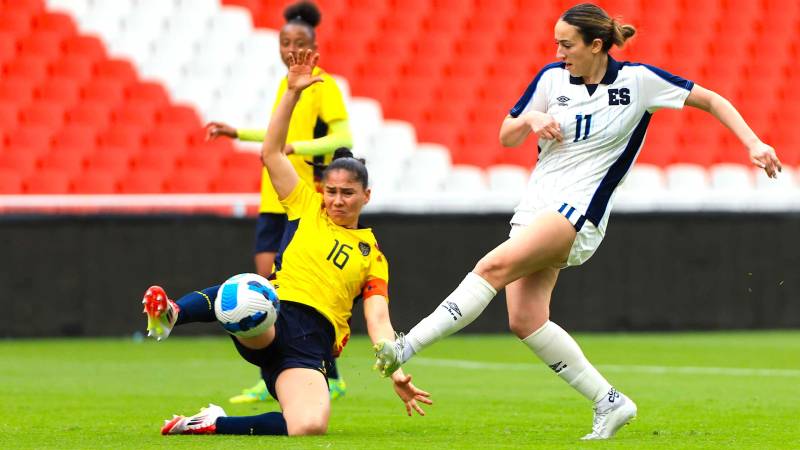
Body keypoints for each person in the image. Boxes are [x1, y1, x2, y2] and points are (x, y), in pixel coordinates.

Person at [373, 2, 782, 441]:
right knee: (526, 320)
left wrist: (753, 143)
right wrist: (530, 118)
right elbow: (506, 135)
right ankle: (610, 401)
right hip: (536, 207)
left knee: (489, 269)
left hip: (578, 212)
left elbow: (711, 98)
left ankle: (404, 346)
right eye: (556, 43)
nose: (559, 51)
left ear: (597, 45)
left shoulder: (638, 82)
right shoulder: (551, 79)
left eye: (567, 44)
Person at [143, 49, 431, 436]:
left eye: (347, 192)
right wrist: (292, 93)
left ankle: (211, 423)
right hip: (273, 315)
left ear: (367, 196)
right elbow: (271, 153)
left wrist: (394, 369)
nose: (337, 200)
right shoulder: (307, 206)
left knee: (308, 426)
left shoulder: (373, 257)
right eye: (331, 191)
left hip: (312, 344)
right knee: (251, 294)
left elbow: (378, 321)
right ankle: (173, 313)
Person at [205, 1, 352, 404]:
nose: (290, 48)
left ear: (314, 45)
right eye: (285, 41)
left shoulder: (324, 85)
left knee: (286, 286)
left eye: (299, 42)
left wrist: (297, 147)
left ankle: (317, 369)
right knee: (266, 281)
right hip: (271, 196)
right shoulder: (285, 84)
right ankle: (276, 365)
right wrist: (237, 132)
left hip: (301, 201)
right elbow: (275, 139)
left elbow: (343, 141)